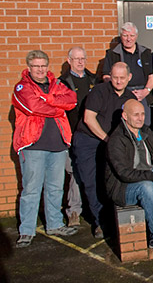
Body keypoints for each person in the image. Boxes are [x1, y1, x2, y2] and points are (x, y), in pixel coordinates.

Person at [13, 50, 79, 248]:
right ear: (29, 68)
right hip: (32, 145)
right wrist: (58, 106)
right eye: (36, 66)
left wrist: (48, 100)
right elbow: (33, 107)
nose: (40, 70)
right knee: (31, 189)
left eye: (43, 66)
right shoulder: (22, 86)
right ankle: (26, 230)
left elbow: (71, 99)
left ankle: (55, 224)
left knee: (55, 187)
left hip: (58, 145)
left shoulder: (57, 84)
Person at [73, 62, 136, 239]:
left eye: (122, 78)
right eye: (115, 77)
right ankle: (99, 222)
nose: (118, 81)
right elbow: (89, 118)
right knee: (92, 181)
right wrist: (107, 139)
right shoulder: (99, 91)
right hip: (89, 140)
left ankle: (114, 219)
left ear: (129, 78)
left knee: (113, 179)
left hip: (111, 142)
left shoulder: (130, 97)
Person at [105, 99, 153, 249]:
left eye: (143, 114)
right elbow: (124, 173)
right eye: (136, 115)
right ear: (125, 116)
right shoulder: (116, 140)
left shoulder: (145, 131)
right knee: (146, 186)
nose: (140, 118)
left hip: (146, 177)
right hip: (123, 188)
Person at [59, 46, 96, 227]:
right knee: (74, 171)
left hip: (92, 135)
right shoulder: (62, 83)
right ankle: (74, 210)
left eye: (83, 58)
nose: (80, 62)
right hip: (72, 134)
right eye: (77, 59)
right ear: (69, 61)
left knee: (92, 172)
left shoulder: (93, 80)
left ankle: (92, 208)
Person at [102, 22, 153, 125]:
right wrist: (120, 88)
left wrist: (145, 91)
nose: (128, 39)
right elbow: (106, 76)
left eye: (131, 35)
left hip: (142, 94)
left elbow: (151, 76)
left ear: (136, 36)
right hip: (121, 94)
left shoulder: (146, 53)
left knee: (144, 125)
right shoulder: (112, 54)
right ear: (121, 37)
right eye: (125, 35)